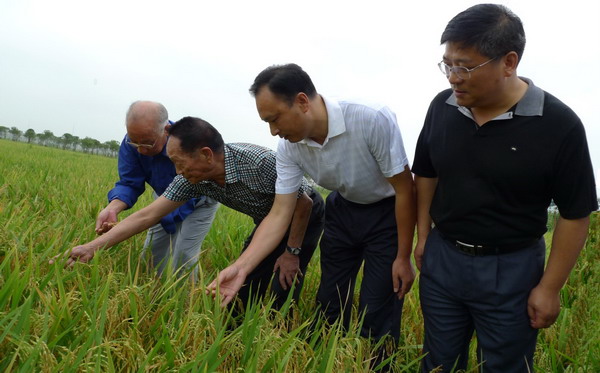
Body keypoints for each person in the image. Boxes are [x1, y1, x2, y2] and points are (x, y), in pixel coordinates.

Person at [412, 4, 598, 372]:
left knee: (504, 365)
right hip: (444, 258)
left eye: (464, 66)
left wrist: (550, 288)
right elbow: (427, 172)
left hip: (511, 269)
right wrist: (423, 236)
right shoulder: (442, 106)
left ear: (508, 62)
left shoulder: (558, 125)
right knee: (437, 362)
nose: (453, 77)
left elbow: (575, 214)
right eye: (447, 64)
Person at [208, 63, 416, 343]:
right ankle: (327, 356)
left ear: (302, 102)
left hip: (386, 212)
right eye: (266, 123)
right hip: (342, 210)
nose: (273, 131)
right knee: (330, 300)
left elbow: (405, 189)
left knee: (377, 305)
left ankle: (376, 359)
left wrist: (403, 257)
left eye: (275, 119)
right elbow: (281, 212)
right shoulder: (289, 147)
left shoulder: (370, 118)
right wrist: (242, 266)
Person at [56, 116, 324, 309]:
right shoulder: (191, 178)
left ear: (206, 154)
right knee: (243, 283)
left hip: (305, 215)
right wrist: (92, 247)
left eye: (179, 162)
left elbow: (304, 203)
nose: (177, 171)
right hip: (268, 220)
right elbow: (147, 215)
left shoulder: (258, 163)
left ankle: (282, 322)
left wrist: (291, 252)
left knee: (286, 276)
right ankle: (235, 330)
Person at [94, 101, 219, 278]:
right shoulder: (131, 143)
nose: (142, 150)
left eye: (148, 143)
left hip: (200, 201)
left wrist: (158, 212)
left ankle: (186, 302)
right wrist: (113, 207)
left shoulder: (190, 143)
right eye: (135, 143)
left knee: (183, 255)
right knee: (151, 254)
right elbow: (130, 182)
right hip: (164, 198)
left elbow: (191, 188)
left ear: (166, 130)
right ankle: (150, 296)